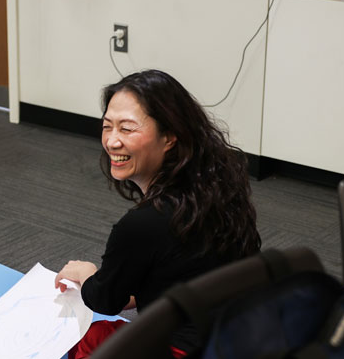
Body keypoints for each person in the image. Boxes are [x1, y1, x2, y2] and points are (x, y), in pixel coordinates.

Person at [55, 69, 261, 358]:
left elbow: (105, 300)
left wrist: (89, 275)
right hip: (239, 336)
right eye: (107, 126)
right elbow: (190, 266)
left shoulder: (143, 224)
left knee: (90, 340)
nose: (112, 141)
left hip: (187, 349)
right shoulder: (219, 187)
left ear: (169, 137)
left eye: (127, 129)